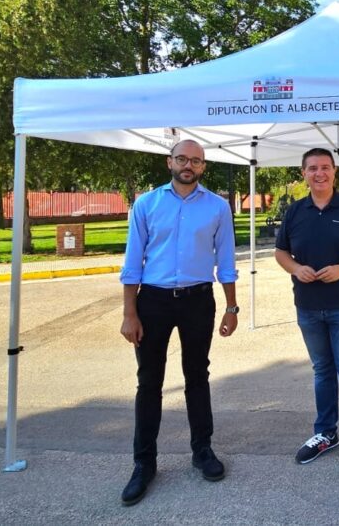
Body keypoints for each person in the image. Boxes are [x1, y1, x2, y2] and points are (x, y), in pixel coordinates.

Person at [118, 140, 240, 506]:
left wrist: (232, 307)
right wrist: (129, 313)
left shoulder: (218, 207)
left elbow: (227, 260)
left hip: (198, 300)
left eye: (196, 161)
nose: (189, 165)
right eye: (182, 159)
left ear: (203, 167)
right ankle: (144, 464)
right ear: (169, 162)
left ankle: (202, 451)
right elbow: (132, 262)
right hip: (153, 302)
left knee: (197, 377)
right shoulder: (146, 204)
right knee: (149, 382)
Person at [275, 148, 339, 473]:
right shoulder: (295, 211)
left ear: (334, 171)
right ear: (303, 174)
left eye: (325, 167)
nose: (319, 173)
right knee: (322, 371)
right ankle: (326, 434)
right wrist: (296, 268)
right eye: (312, 168)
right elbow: (280, 252)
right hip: (308, 306)